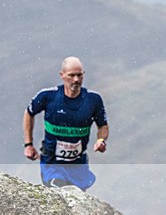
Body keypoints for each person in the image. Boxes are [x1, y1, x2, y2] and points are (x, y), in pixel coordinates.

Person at [23, 57, 109, 190]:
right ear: (62, 75)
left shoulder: (93, 100)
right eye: (71, 75)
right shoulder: (48, 96)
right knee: (60, 191)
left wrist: (101, 140)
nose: (76, 79)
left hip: (77, 165)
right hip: (52, 163)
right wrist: (28, 144)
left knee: (76, 202)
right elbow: (29, 113)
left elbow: (102, 125)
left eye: (79, 75)